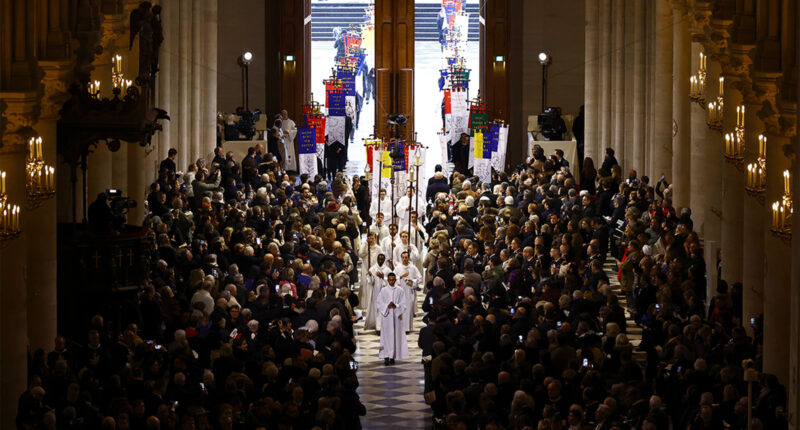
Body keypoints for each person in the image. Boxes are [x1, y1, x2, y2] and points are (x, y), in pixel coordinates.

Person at [376, 272, 408, 365]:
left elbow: (403, 304)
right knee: (386, 336)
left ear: (395, 280)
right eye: (389, 280)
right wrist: (386, 306)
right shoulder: (383, 290)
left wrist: (396, 305)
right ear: (387, 280)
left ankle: (393, 356)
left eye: (393, 280)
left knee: (395, 336)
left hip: (396, 318)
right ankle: (386, 356)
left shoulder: (400, 290)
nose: (391, 282)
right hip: (386, 317)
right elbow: (379, 303)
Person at [394, 251, 420, 333]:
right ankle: (400, 328)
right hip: (400, 292)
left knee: (408, 310)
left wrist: (413, 282)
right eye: (403, 257)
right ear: (401, 258)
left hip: (409, 292)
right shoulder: (398, 268)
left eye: (406, 257)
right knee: (400, 309)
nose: (405, 259)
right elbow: (393, 278)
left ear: (409, 258)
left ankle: (407, 328)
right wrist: (401, 277)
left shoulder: (413, 268)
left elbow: (419, 278)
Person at [364, 254, 391, 331]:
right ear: (377, 259)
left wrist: (384, 278)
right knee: (376, 309)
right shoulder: (373, 269)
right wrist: (369, 275)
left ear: (384, 260)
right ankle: (377, 326)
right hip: (375, 292)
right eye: (379, 259)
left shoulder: (387, 270)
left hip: (385, 293)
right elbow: (370, 281)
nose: (380, 261)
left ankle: (383, 326)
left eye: (382, 259)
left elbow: (392, 281)